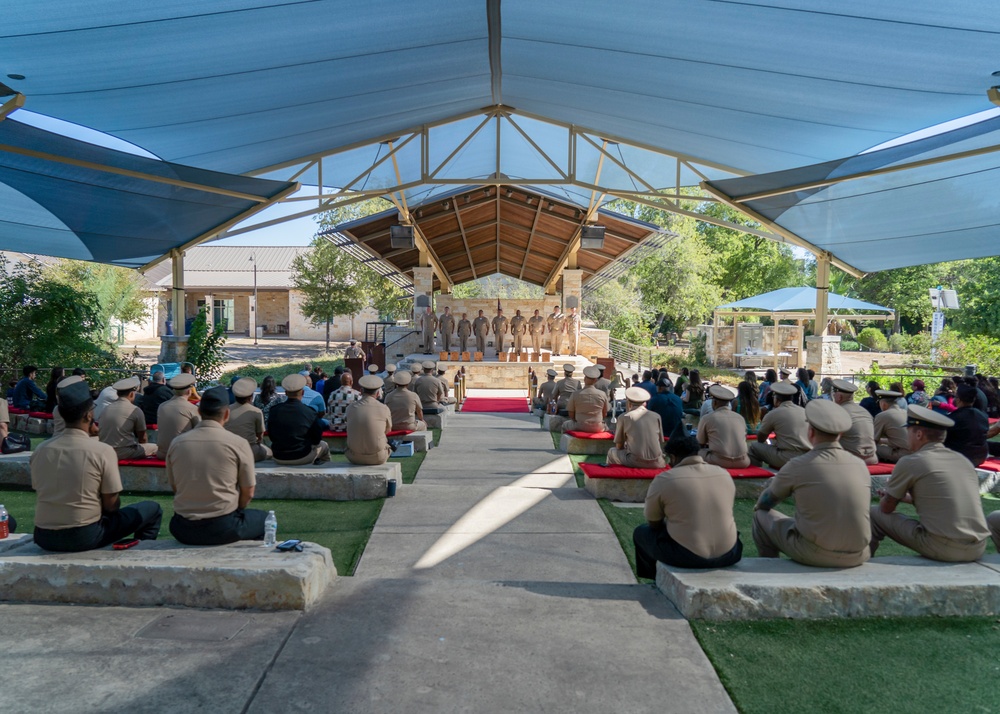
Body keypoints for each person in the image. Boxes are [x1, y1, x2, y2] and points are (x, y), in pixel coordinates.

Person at [31, 379, 162, 552]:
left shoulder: (40, 450)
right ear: (88, 415)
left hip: (43, 536)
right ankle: (135, 553)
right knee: (152, 509)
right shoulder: (102, 451)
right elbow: (111, 505)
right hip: (83, 536)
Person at [752, 400, 872, 567]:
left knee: (760, 516)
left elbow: (766, 502)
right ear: (841, 434)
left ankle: (769, 566)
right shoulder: (860, 465)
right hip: (859, 554)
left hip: (816, 552)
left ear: (810, 431)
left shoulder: (798, 465)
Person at [870, 406, 990, 562]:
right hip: (978, 548)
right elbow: (944, 499)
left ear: (919, 434)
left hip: (945, 548)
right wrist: (905, 497)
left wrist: (890, 496)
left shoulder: (910, 461)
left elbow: (886, 508)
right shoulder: (962, 460)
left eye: (909, 431)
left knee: (874, 513)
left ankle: (865, 564)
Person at [166, 385, 266, 545]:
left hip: (182, 528)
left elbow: (175, 486)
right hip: (223, 527)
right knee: (266, 520)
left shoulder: (177, 443)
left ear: (199, 412)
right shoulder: (238, 443)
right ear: (227, 413)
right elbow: (248, 492)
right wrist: (237, 511)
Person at [632, 434, 743, 576]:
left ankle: (654, 579)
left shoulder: (665, 479)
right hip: (731, 553)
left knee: (641, 532)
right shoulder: (724, 474)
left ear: (672, 457)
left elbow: (653, 523)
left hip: (687, 557)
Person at [268, 373, 330, 465]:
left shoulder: (274, 410)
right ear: (303, 392)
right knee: (324, 445)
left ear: (285, 393)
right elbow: (316, 439)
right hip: (302, 456)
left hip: (278, 456)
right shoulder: (310, 412)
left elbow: (271, 435)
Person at [748, 381, 810, 469]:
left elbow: (761, 438)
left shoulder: (773, 413)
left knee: (754, 447)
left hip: (787, 457)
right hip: (808, 457)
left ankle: (757, 474)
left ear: (776, 398)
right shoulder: (804, 411)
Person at [98, 376, 157, 459]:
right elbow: (142, 438)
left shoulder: (106, 409)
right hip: (123, 452)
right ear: (131, 394)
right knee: (156, 448)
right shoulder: (135, 410)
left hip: (105, 451)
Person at [607, 387, 665, 468]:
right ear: (645, 403)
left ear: (629, 403)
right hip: (658, 462)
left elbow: (619, 446)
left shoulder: (624, 417)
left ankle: (614, 476)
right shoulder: (656, 416)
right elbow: (660, 441)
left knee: (612, 451)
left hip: (635, 461)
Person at [698, 385, 750, 469]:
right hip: (742, 462)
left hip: (718, 461)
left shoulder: (707, 418)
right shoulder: (740, 418)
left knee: (695, 452)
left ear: (714, 402)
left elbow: (700, 442)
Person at [345, 374, 392, 465]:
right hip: (378, 457)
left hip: (353, 457)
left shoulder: (350, 408)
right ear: (378, 393)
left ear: (361, 391)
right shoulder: (383, 408)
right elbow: (388, 430)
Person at [829, 379, 878, 465]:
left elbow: (828, 439)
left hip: (852, 459)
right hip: (872, 458)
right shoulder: (864, 411)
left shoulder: (838, 412)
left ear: (839, 397)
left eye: (833, 394)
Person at [155, 373, 201, 459]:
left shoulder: (162, 406)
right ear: (189, 391)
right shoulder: (192, 408)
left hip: (163, 454)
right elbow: (200, 431)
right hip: (182, 454)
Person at [225, 377, 271, 462]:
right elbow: (260, 436)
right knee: (269, 452)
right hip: (250, 450)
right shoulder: (256, 411)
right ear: (251, 396)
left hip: (228, 450)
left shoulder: (226, 410)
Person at [943, 383, 989, 467]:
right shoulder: (982, 416)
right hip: (981, 456)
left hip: (962, 457)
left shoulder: (953, 418)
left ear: (958, 399)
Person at [562, 365, 609, 433]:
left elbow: (571, 414)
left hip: (579, 426)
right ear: (595, 380)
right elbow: (605, 414)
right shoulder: (602, 394)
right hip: (598, 427)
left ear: (584, 379)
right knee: (607, 429)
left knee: (564, 425)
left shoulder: (575, 394)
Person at [874, 389, 910, 463]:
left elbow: (873, 440)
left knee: (871, 448)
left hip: (902, 455)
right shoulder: (906, 412)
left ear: (883, 404)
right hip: (916, 452)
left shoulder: (882, 416)